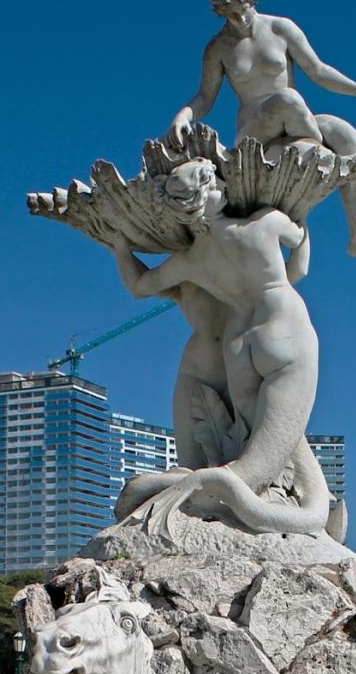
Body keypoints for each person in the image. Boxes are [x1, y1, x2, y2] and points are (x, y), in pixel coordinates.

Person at [110, 159, 332, 536]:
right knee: (256, 468)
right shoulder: (264, 223)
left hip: (237, 341)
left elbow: (140, 286)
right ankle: (215, 492)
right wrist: (302, 217)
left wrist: (118, 245)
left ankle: (173, 487)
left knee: (258, 450)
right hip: (283, 325)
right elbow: (300, 266)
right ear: (216, 188)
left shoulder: (191, 260)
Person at [170, 0, 356, 274]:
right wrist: (183, 115)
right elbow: (205, 97)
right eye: (230, 15)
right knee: (288, 99)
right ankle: (336, 171)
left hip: (298, 124)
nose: (239, 19)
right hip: (256, 133)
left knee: (345, 134)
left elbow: (317, 70)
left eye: (243, 10)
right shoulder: (219, 48)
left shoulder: (281, 28)